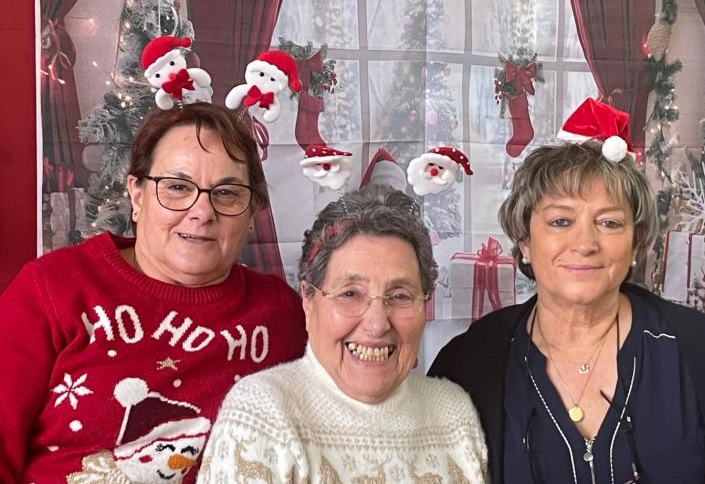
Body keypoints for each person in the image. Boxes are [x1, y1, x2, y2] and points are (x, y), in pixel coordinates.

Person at [430, 98, 705, 483]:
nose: (585, 243)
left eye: (609, 223)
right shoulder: (470, 363)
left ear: (636, 243)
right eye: (560, 221)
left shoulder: (701, 352)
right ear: (524, 239)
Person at [0, 103, 307, 483]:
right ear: (137, 194)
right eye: (177, 187)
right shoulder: (52, 288)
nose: (202, 212)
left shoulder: (281, 313)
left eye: (227, 193)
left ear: (251, 211)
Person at [197, 185, 488, 482]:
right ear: (309, 299)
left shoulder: (453, 412)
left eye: (400, 296)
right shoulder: (262, 414)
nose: (377, 324)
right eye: (350, 293)